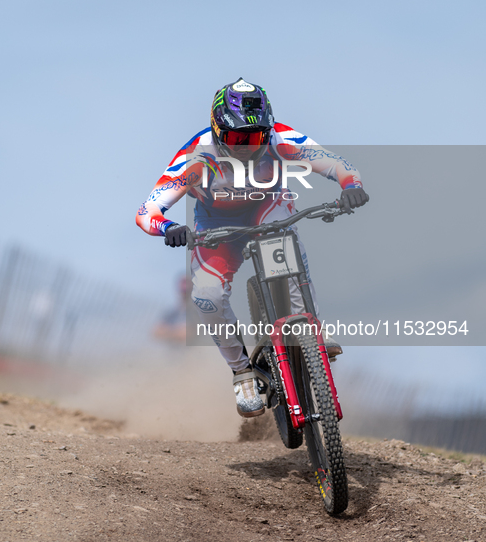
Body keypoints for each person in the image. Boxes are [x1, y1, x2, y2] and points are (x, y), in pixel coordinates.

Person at [136, 78, 369, 418]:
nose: (246, 145)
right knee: (207, 295)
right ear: (217, 130)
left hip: (266, 207)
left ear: (268, 129)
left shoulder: (281, 139)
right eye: (235, 138)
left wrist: (352, 185)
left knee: (281, 239)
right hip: (216, 223)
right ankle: (242, 372)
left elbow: (336, 164)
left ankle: (309, 326)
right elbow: (147, 213)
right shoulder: (195, 156)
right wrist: (169, 228)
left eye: (255, 136)